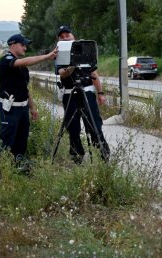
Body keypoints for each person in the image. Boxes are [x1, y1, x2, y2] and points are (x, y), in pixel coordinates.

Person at [0, 34, 58, 159]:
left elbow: (25, 89)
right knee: (8, 141)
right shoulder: (6, 60)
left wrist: (32, 107)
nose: (25, 48)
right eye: (22, 45)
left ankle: (19, 165)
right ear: (13, 45)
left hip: (23, 108)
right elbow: (23, 61)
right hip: (10, 109)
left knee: (21, 140)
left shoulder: (23, 68)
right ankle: (2, 171)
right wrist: (47, 57)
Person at [55, 25, 110, 163]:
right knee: (72, 127)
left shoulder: (85, 50)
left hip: (87, 92)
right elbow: (62, 73)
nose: (65, 38)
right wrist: (72, 64)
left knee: (94, 124)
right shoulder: (59, 53)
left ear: (74, 36)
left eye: (67, 35)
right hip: (69, 94)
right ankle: (76, 154)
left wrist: (101, 93)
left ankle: (103, 152)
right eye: (62, 36)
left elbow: (94, 74)